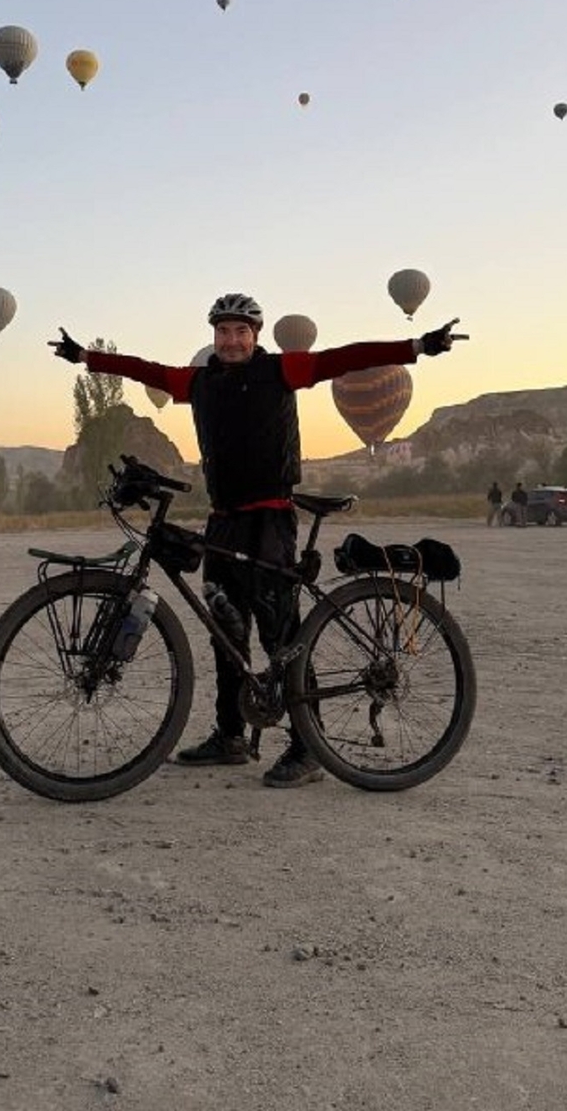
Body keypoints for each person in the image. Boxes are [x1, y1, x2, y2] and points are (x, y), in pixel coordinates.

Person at [49, 295, 466, 789]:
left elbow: (346, 358)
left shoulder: (281, 370)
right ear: (214, 336)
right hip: (223, 519)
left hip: (270, 519)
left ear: (256, 335)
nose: (231, 341)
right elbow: (147, 371)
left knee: (279, 635)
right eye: (223, 332)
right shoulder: (199, 382)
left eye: (240, 331)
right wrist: (85, 357)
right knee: (225, 629)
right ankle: (230, 736)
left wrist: (417, 345)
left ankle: (307, 748)